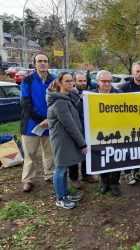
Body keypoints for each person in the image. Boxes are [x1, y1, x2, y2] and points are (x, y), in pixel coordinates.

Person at [46, 72, 87, 209]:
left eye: (71, 81)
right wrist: (82, 143)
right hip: (61, 140)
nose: (71, 83)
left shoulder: (66, 98)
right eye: (67, 81)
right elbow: (70, 125)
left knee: (63, 168)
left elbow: (75, 114)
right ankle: (60, 198)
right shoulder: (59, 103)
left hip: (66, 139)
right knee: (60, 169)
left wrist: (81, 100)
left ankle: (65, 193)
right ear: (60, 83)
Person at [20, 52, 55, 192]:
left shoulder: (53, 80)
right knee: (30, 155)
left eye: (45, 61)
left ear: (48, 63)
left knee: (50, 153)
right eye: (39, 61)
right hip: (31, 125)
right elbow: (25, 103)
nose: (42, 63)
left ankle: (50, 174)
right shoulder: (27, 80)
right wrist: (41, 120)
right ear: (34, 63)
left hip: (50, 123)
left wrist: (50, 119)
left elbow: (58, 99)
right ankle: (27, 180)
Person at [119, 62, 140, 185]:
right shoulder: (124, 87)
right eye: (138, 71)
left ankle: (136, 172)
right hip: (128, 124)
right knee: (128, 150)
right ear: (133, 73)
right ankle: (127, 173)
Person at [91, 70, 123, 196]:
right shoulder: (89, 95)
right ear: (98, 82)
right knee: (101, 157)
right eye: (104, 81)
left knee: (116, 157)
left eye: (109, 81)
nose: (107, 84)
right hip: (97, 133)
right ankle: (104, 183)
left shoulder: (120, 94)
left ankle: (115, 183)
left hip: (116, 132)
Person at [68, 73, 97, 189]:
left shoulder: (91, 93)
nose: (83, 83)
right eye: (80, 81)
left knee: (87, 152)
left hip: (88, 128)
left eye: (85, 81)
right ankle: (74, 178)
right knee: (74, 153)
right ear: (75, 82)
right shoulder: (70, 94)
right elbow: (73, 111)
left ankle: (86, 175)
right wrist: (80, 100)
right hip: (76, 128)